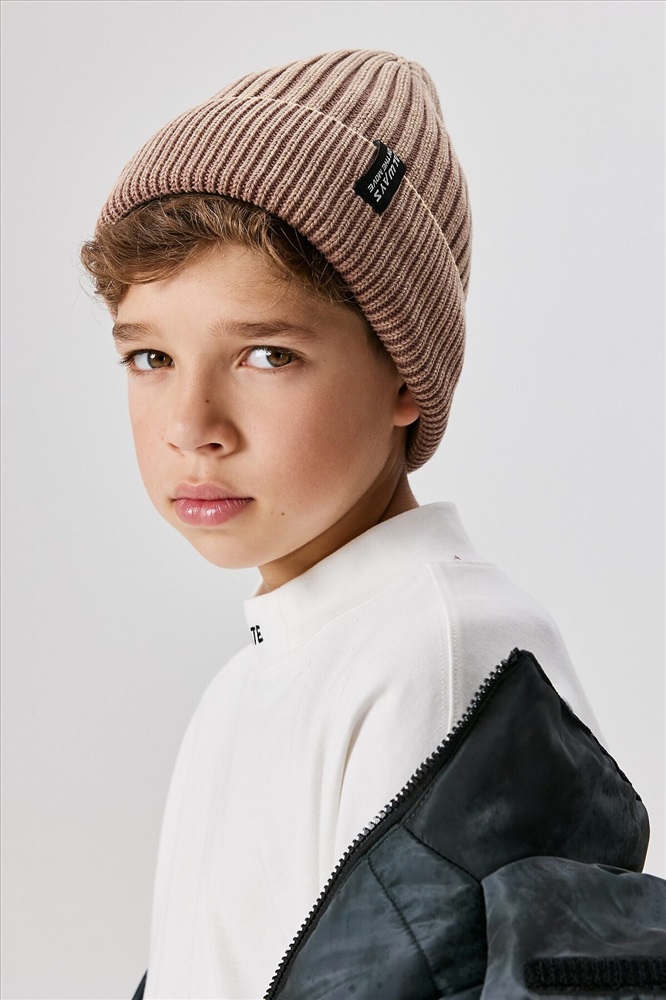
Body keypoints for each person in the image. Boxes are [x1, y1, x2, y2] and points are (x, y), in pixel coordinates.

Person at [80, 49, 658, 1000]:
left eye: (267, 354)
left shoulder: (443, 650)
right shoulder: (260, 674)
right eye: (150, 358)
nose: (192, 426)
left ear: (404, 376)